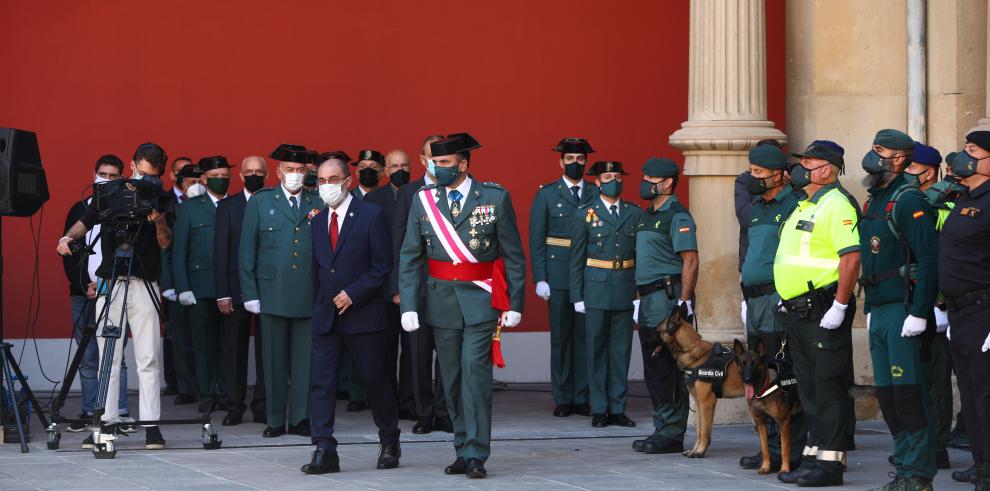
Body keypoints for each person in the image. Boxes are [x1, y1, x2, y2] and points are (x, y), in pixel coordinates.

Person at [398, 133, 525, 478]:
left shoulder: (495, 198)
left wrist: (514, 302)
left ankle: (477, 453)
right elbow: (410, 255)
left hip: (482, 300)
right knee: (451, 380)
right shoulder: (423, 201)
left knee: (475, 374)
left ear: (463, 164)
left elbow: (513, 255)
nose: (437, 169)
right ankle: (462, 447)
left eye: (445, 163)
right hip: (441, 302)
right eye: (434, 163)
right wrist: (408, 304)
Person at [57, 142, 174, 450]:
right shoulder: (108, 192)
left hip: (145, 280)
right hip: (111, 280)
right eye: (144, 173)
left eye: (154, 175)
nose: (147, 180)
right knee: (109, 355)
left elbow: (165, 242)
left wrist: (158, 218)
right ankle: (105, 421)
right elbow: (87, 218)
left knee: (148, 357)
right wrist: (69, 236)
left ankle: (152, 427)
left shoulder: (160, 195)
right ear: (132, 164)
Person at [302, 157, 401, 474]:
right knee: (321, 384)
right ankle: (324, 448)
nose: (326, 185)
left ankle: (389, 440)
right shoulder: (317, 221)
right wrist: (319, 305)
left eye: (333, 179)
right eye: (321, 180)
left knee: (375, 380)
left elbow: (382, 265)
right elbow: (319, 269)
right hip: (326, 316)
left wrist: (353, 293)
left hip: (364, 314)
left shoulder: (371, 215)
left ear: (347, 181)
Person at [773, 140, 860, 487]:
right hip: (798, 312)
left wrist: (840, 305)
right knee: (808, 387)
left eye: (807, 163)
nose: (799, 169)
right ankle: (813, 455)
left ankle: (831, 464)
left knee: (828, 387)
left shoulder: (836, 204)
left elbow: (850, 258)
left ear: (826, 169)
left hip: (823, 310)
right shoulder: (805, 204)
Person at [857, 130, 939, 490]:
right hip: (880, 308)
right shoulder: (875, 199)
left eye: (882, 150)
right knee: (888, 397)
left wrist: (920, 312)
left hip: (904, 309)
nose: (874, 156)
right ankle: (903, 466)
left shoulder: (908, 200)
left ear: (901, 158)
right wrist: (870, 308)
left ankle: (918, 473)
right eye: (874, 148)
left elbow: (929, 260)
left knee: (908, 394)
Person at [240, 143, 320, 437]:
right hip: (270, 295)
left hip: (308, 294)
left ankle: (301, 417)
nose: (296, 175)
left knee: (304, 363)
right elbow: (248, 251)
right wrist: (250, 293)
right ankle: (274, 419)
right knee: (273, 362)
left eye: (300, 170)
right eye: (290, 170)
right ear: (279, 172)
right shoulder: (261, 202)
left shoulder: (318, 202)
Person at [735, 145, 807, 472]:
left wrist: (785, 293)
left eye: (759, 173)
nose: (753, 177)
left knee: (782, 371)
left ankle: (785, 448)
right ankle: (768, 446)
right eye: (751, 171)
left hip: (777, 300)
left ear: (778, 175)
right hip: (754, 300)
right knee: (758, 370)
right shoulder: (755, 207)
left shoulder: (793, 205)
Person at [61, 155, 133, 442]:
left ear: (121, 177)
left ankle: (120, 413)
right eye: (101, 173)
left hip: (114, 289)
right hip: (83, 293)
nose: (105, 178)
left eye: (112, 175)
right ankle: (92, 412)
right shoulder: (79, 210)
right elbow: (68, 248)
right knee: (88, 357)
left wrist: (105, 284)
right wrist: (83, 284)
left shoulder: (124, 211)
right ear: (93, 174)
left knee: (116, 355)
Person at [631, 157, 698, 454]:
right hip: (646, 299)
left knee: (667, 368)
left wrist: (683, 301)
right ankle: (662, 427)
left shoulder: (677, 216)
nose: (645, 184)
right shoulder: (647, 216)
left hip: (666, 298)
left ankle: (671, 433)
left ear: (668, 183)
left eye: (651, 179)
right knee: (653, 368)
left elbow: (691, 260)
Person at [568, 160, 639, 428]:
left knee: (620, 351)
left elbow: (638, 256)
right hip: (595, 288)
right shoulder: (585, 213)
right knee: (595, 349)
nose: (614, 181)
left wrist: (639, 294)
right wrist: (577, 295)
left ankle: (618, 407)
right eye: (608, 176)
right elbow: (576, 258)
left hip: (624, 287)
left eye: (617, 176)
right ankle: (599, 408)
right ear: (597, 182)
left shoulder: (634, 213)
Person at [530, 137, 597, 418]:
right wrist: (540, 277)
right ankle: (563, 396)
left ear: (585, 162)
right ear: (561, 162)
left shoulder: (595, 192)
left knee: (584, 338)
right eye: (569, 159)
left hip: (587, 272)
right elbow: (536, 239)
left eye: (580, 159)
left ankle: (582, 395)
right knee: (560, 337)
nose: (574, 164)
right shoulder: (547, 194)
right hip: (557, 275)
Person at [389, 135, 452, 435]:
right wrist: (399, 287)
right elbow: (398, 243)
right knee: (417, 352)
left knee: (448, 353)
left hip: (450, 285)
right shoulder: (409, 192)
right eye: (432, 156)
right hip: (418, 285)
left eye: (444, 157)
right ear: (423, 158)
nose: (437, 163)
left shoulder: (458, 189)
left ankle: (445, 410)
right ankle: (424, 412)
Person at [904, 142, 957, 472]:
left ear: (930, 171)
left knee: (937, 381)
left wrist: (937, 303)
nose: (908, 175)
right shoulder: (909, 203)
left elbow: (939, 258)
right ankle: (919, 445)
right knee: (914, 379)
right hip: (909, 301)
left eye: (913, 169)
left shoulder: (943, 207)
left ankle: (937, 448)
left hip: (935, 304)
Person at [941, 133, 990, 490]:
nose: (962, 156)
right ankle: (981, 465)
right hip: (960, 312)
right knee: (971, 395)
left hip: (983, 310)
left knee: (984, 395)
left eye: (972, 152)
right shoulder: (964, 198)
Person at [173, 156, 234, 411]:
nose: (221, 180)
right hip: (201, 287)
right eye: (215, 176)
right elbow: (179, 252)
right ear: (205, 179)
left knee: (228, 345)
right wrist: (183, 286)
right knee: (203, 343)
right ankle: (207, 393)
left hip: (231, 287)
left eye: (224, 175)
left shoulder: (237, 205)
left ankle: (229, 392)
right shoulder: (190, 208)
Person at [214, 155, 269, 426]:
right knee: (234, 350)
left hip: (269, 288)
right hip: (235, 289)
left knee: (266, 350)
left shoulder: (273, 201)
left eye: (259, 171)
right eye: (249, 171)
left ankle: (263, 405)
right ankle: (235, 405)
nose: (254, 175)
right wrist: (222, 292)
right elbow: (220, 251)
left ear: (268, 174)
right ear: (241, 175)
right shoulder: (228, 206)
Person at [365, 149, 417, 420]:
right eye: (394, 165)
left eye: (404, 165)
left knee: (412, 352)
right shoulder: (374, 198)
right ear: (385, 171)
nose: (400, 170)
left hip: (411, 286)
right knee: (384, 352)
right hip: (382, 287)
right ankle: (386, 404)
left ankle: (409, 403)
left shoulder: (420, 194)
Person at [160, 157, 203, 406]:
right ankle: (184, 385)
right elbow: (166, 248)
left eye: (199, 181)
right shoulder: (168, 206)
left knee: (203, 337)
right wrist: (168, 283)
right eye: (191, 181)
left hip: (202, 280)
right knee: (181, 337)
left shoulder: (209, 205)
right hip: (178, 279)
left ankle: (205, 385)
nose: (195, 185)